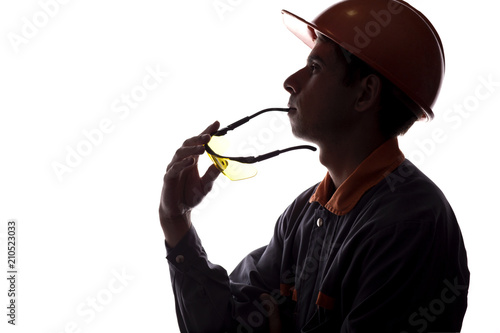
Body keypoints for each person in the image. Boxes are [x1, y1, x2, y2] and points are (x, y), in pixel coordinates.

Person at [158, 0, 470, 332]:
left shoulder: (410, 224)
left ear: (365, 94)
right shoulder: (304, 215)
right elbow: (226, 327)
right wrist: (176, 222)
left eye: (316, 67)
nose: (290, 81)